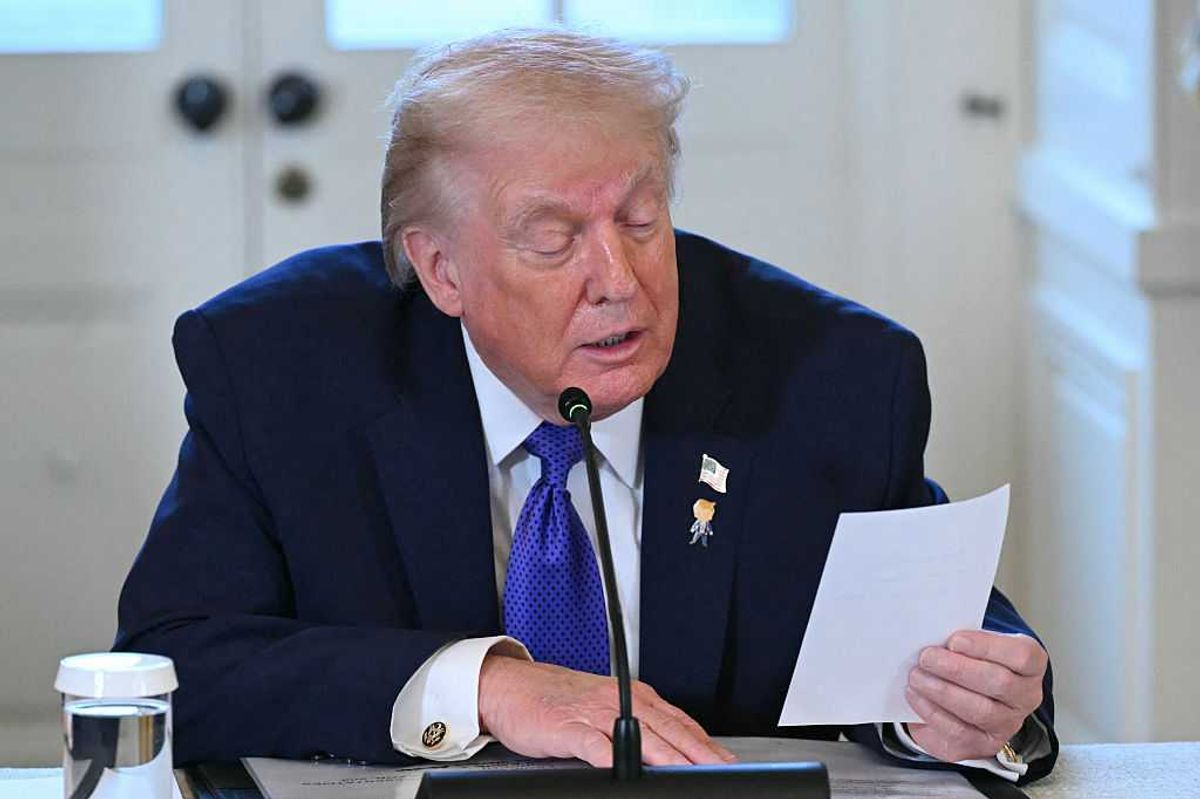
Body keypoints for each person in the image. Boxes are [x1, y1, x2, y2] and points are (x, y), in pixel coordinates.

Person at [115, 28, 1057, 785]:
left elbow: (950, 634)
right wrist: (485, 687)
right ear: (441, 269)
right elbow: (173, 666)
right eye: (554, 239)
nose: (620, 281)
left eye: (643, 221)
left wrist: (970, 703)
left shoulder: (834, 377)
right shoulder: (281, 369)